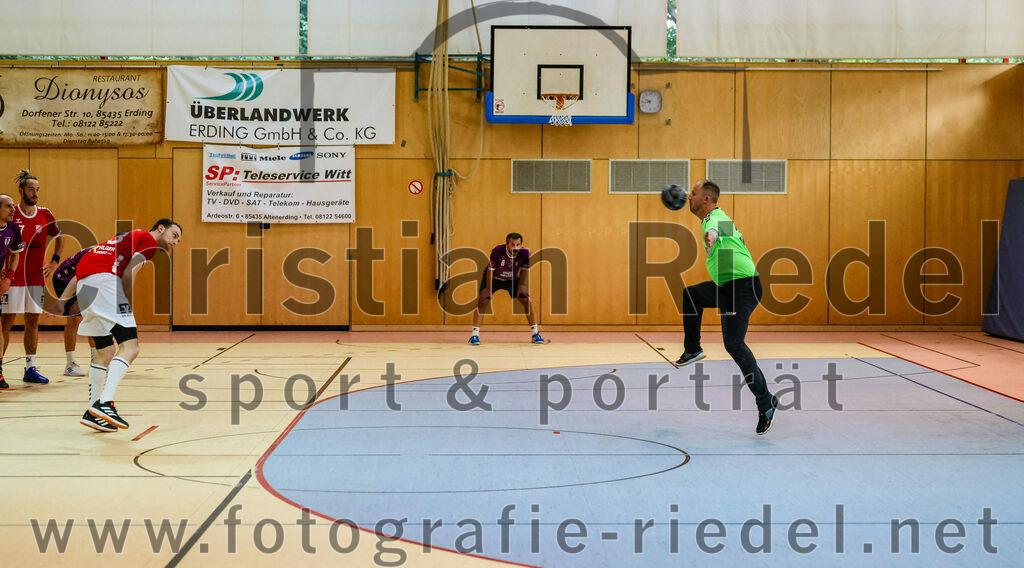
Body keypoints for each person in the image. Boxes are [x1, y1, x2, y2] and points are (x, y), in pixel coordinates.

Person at [48, 219, 182, 432]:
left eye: (179, 240)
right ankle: (105, 403)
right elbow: (129, 273)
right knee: (131, 346)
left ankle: (93, 410)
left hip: (85, 283)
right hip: (105, 282)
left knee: (105, 350)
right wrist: (125, 306)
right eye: (174, 235)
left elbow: (80, 271)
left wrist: (62, 302)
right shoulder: (148, 240)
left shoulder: (116, 242)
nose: (175, 242)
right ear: (160, 228)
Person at [676, 179, 779, 435]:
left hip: (742, 287)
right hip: (726, 287)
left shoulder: (716, 218)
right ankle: (692, 349)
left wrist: (710, 237)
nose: (689, 196)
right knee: (692, 295)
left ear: (706, 199)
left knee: (733, 344)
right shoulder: (715, 218)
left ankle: (765, 403)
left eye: (694, 193)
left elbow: (715, 230)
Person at [2, 170, 64, 384]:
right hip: (12, 278)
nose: (35, 193)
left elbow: (59, 237)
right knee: (6, 322)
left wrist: (54, 262)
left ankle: (30, 368)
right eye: (31, 189)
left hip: (36, 278)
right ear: (21, 191)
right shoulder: (11, 213)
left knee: (32, 320)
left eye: (37, 190)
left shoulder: (45, 214)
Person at [469, 233, 544, 345]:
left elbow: (524, 271)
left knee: (528, 301)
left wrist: (520, 287)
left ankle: (535, 334)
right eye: (512, 244)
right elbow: (490, 270)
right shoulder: (497, 251)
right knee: (483, 301)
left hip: (512, 279)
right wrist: (488, 289)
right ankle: (474, 335)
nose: (515, 247)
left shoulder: (525, 254)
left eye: (518, 245)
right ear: (507, 244)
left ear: (521, 245)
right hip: (494, 278)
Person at [51, 247, 97, 376]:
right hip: (64, 279)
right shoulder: (99, 254)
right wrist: (79, 300)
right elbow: (80, 276)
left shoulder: (116, 258)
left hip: (82, 280)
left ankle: (96, 362)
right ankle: (70, 365)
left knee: (92, 316)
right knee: (74, 319)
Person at [0, 195, 24, 390]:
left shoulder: (13, 228)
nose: (13, 209)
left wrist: (9, 277)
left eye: (13, 206)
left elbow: (15, 254)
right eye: (8, 206)